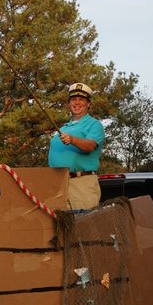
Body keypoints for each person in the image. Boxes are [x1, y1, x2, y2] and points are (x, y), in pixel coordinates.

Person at [48, 82, 104, 210]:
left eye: (81, 99)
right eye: (73, 99)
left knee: (82, 226)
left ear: (88, 104)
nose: (77, 102)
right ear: (69, 104)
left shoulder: (94, 125)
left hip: (81, 184)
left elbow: (90, 145)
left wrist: (72, 139)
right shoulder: (64, 127)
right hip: (57, 185)